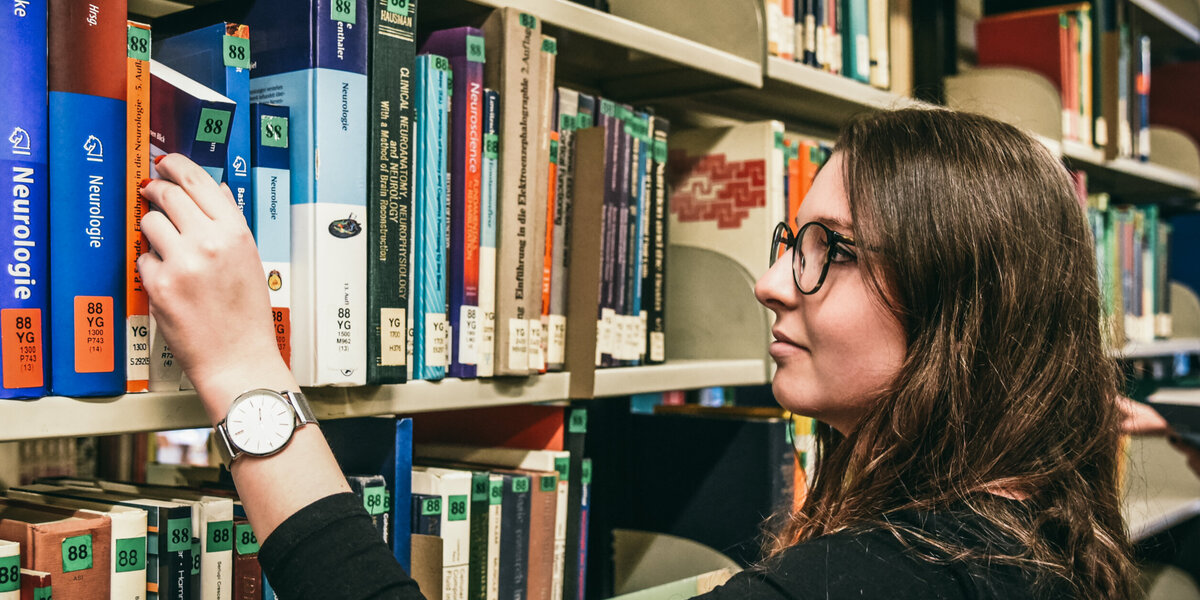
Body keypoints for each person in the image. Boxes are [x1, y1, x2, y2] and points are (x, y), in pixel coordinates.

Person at [138, 107, 1137, 599]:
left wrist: (245, 373)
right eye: (792, 241)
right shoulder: (1038, 537)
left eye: (832, 252)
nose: (771, 281)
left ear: (963, 306)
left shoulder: (865, 582)